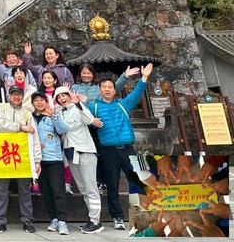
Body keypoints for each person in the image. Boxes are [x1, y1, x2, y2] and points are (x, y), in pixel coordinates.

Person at [92, 62, 153, 231]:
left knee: (141, 180)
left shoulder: (123, 104)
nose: (107, 89)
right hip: (108, 151)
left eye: (110, 87)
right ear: (99, 90)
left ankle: (146, 214)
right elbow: (83, 119)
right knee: (112, 185)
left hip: (128, 148)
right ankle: (117, 217)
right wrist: (91, 121)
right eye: (104, 87)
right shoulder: (93, 107)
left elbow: (137, 93)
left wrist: (144, 78)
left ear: (115, 90)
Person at [0, 85, 41, 234]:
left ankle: (27, 220)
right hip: (4, 155)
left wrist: (37, 160)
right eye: (13, 94)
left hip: (22, 156)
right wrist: (21, 127)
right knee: (1, 190)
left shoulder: (27, 113)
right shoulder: (2, 107)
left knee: (24, 190)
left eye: (19, 94)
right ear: (8, 96)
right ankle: (0, 221)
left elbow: (34, 137)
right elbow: (0, 125)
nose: (16, 97)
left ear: (22, 96)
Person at [55, 86, 104, 233]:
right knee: (83, 189)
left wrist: (78, 103)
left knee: (91, 187)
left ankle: (95, 221)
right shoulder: (58, 112)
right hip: (70, 153)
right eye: (59, 97)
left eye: (64, 95)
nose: (62, 98)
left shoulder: (78, 107)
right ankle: (93, 219)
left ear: (69, 96)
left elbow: (89, 120)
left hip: (85, 150)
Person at [31, 90, 69, 235]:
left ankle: (62, 221)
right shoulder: (30, 118)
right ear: (32, 103)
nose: (39, 102)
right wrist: (35, 144)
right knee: (46, 191)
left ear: (46, 102)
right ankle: (53, 218)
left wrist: (53, 116)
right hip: (38, 160)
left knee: (58, 191)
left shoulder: (52, 115)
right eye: (36, 100)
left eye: (42, 100)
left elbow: (63, 129)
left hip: (54, 158)